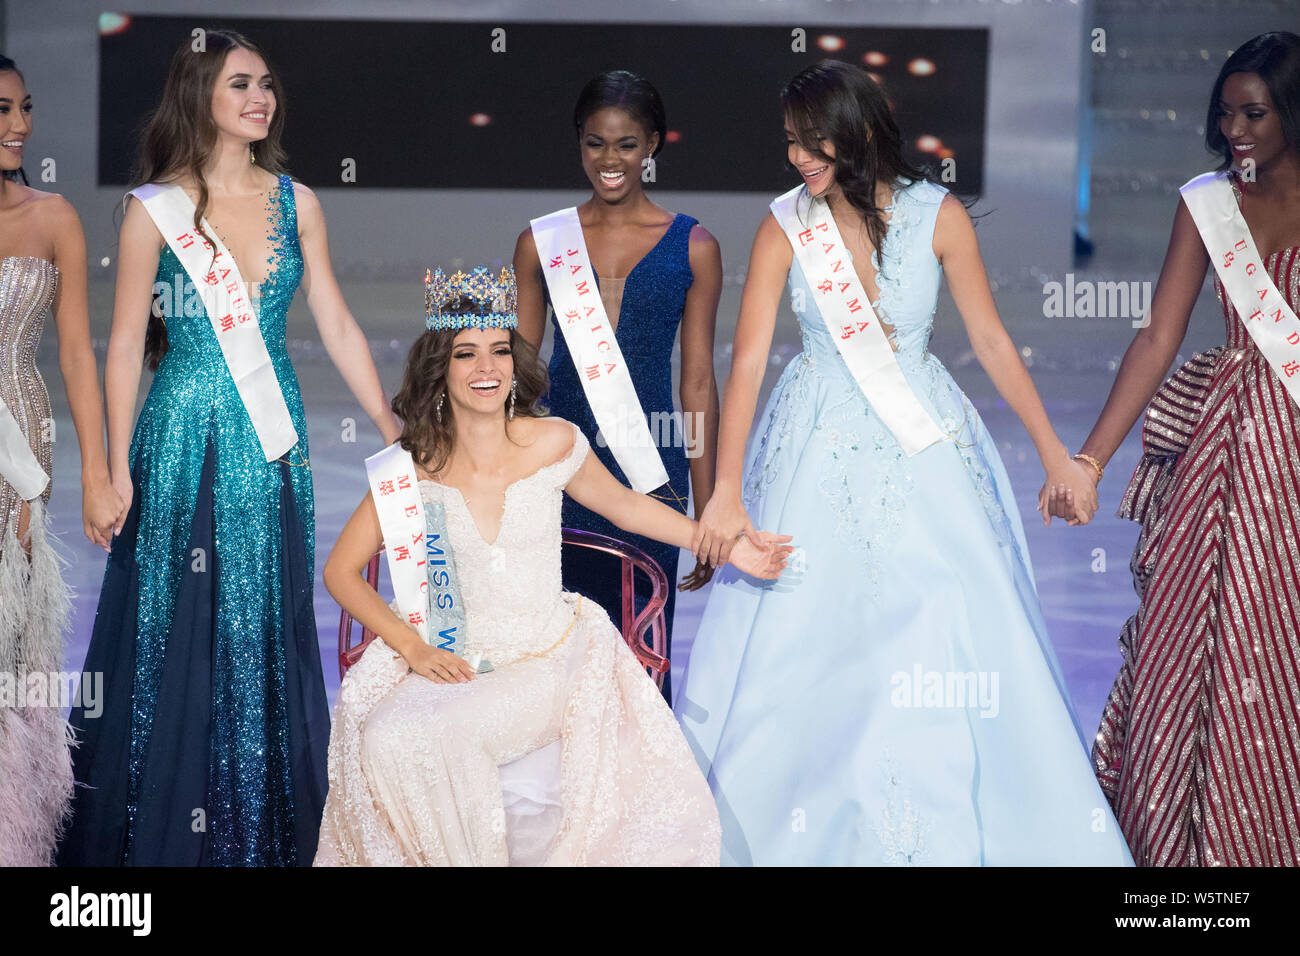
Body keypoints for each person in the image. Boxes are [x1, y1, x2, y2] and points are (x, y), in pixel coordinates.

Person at [674, 60, 1134, 865]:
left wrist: (1060, 457)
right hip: (812, 438)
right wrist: (724, 494)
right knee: (809, 632)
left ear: (855, 131)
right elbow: (745, 362)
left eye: (810, 141)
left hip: (924, 442)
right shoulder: (786, 222)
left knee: (936, 622)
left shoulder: (938, 215)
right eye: (788, 143)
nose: (796, 159)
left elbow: (990, 340)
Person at [58, 30, 400, 866]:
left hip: (271, 435)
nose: (261, 98)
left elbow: (337, 321)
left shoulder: (299, 202)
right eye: (241, 84)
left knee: (265, 623)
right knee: (177, 627)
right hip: (181, 436)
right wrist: (103, 473)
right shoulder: (153, 210)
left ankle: (261, 833)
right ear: (199, 95)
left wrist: (393, 426)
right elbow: (122, 344)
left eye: (268, 84)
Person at [315, 265, 789, 866]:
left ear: (515, 365)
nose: (486, 369)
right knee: (382, 736)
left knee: (443, 737)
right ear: (441, 369)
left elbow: (627, 508)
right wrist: (412, 647)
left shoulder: (553, 442)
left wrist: (716, 541)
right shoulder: (414, 466)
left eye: (499, 352)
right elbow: (340, 571)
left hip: (545, 659)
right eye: (466, 355)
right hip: (456, 655)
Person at [1063, 32, 1300, 866]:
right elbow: (1159, 336)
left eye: (1256, 113)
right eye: (1225, 112)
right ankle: (1191, 850)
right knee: (1192, 638)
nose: (1236, 128)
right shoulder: (1206, 201)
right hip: (1228, 452)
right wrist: (1089, 459)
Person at [514, 70, 722, 703]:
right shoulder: (539, 242)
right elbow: (518, 376)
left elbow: (697, 382)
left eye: (627, 144)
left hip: (650, 465)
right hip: (556, 466)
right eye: (596, 143)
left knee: (638, 645)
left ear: (653, 144)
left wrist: (709, 506)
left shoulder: (695, 245)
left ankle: (637, 799)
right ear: (579, 143)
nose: (610, 160)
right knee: (551, 654)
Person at [0, 54, 122, 866]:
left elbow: (76, 353)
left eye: (24, 108)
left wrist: (99, 472)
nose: (20, 125)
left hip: (19, 446)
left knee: (16, 651)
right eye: (2, 109)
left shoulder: (53, 217)